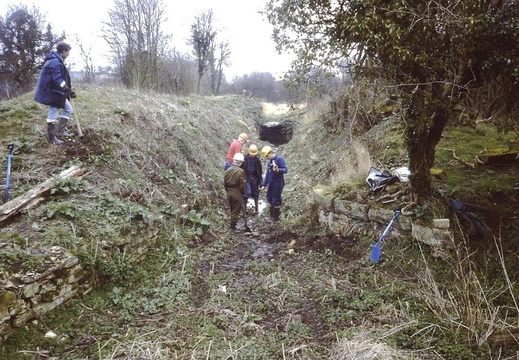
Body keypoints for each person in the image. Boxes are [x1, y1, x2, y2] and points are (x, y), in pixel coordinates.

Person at [34, 42, 76, 145]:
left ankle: (61, 131)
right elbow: (57, 78)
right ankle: (51, 137)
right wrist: (66, 89)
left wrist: (67, 90)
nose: (68, 54)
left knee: (69, 109)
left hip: (56, 91)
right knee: (54, 111)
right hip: (52, 92)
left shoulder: (57, 60)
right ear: (63, 51)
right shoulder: (55, 62)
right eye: (68, 52)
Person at [261, 146, 288, 222]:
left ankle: (275, 218)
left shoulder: (279, 159)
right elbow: (267, 174)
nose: (267, 157)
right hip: (271, 183)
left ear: (271, 152)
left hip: (278, 182)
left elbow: (285, 170)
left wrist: (278, 170)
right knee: (270, 198)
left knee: (276, 199)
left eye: (267, 155)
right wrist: (264, 184)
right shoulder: (270, 161)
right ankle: (271, 216)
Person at [224, 152, 246, 231]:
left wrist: (227, 190)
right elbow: (242, 184)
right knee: (236, 209)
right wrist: (242, 192)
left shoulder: (228, 170)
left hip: (229, 191)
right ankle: (232, 227)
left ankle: (232, 224)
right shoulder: (241, 171)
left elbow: (225, 182)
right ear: (240, 163)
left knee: (232, 208)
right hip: (237, 192)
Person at [243, 144, 263, 215]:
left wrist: (261, 183)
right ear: (249, 152)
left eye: (254, 154)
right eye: (251, 154)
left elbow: (260, 172)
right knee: (247, 193)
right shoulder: (245, 158)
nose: (253, 155)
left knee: (255, 193)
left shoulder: (257, 160)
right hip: (246, 178)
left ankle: (256, 209)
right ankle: (244, 210)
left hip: (254, 178)